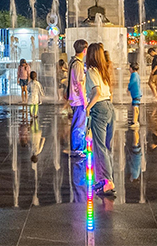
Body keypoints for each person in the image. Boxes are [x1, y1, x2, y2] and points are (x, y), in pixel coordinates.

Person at [85, 42, 115, 196]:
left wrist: (88, 107)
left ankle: (107, 181)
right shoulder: (103, 70)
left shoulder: (91, 71)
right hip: (109, 107)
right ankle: (106, 180)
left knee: (100, 147)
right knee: (106, 146)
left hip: (99, 108)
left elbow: (96, 92)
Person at [67, 39, 88, 157]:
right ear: (84, 50)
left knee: (77, 123)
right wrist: (84, 100)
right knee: (79, 125)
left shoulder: (72, 62)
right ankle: (77, 149)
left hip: (74, 98)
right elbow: (79, 83)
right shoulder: (78, 64)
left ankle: (78, 147)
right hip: (78, 99)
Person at [128, 62, 141, 129]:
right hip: (136, 93)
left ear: (132, 68)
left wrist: (128, 88)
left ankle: (135, 122)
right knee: (135, 107)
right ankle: (135, 121)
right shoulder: (136, 74)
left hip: (136, 93)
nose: (129, 69)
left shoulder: (133, 75)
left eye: (129, 68)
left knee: (135, 107)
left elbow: (132, 82)